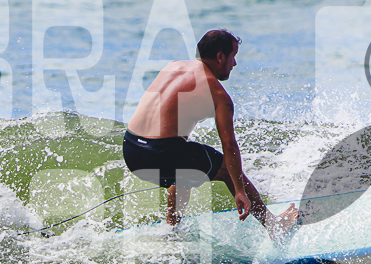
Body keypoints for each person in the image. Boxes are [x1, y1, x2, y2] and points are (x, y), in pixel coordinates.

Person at [124, 29, 298, 233]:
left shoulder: (173, 66)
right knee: (225, 168)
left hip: (131, 149)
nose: (235, 64)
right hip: (160, 152)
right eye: (233, 57)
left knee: (185, 165)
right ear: (220, 57)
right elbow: (229, 145)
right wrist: (239, 190)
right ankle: (273, 226)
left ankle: (172, 229)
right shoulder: (217, 95)